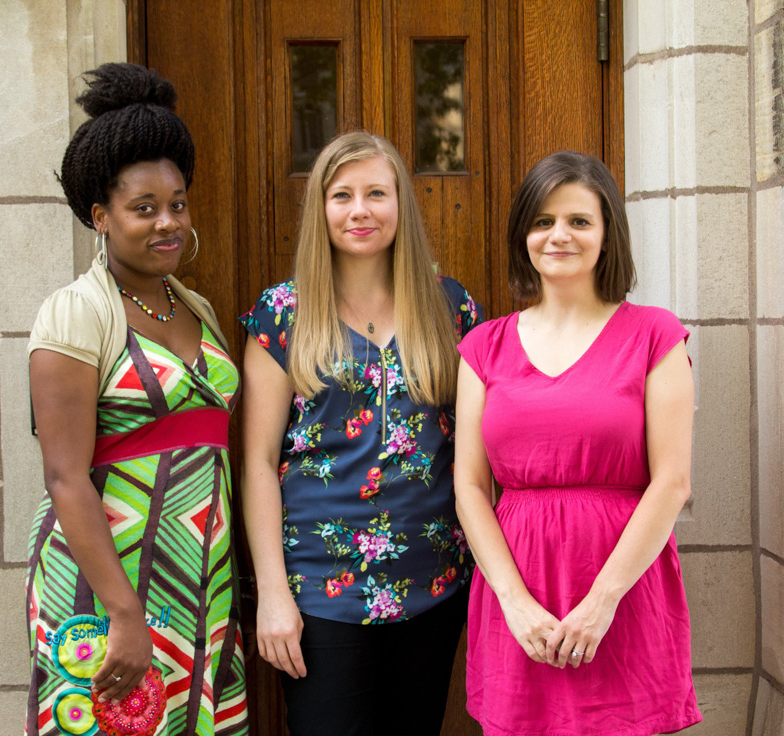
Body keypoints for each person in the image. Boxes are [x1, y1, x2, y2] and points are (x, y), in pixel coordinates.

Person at [24, 63, 248, 736]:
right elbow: (65, 476)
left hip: (198, 580)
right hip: (107, 582)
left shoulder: (198, 308)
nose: (167, 223)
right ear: (101, 215)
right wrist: (122, 612)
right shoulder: (75, 313)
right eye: (143, 209)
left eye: (176, 204)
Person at [238, 131, 483, 736]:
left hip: (435, 584)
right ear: (321, 208)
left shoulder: (450, 309)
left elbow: (477, 450)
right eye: (341, 194)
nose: (360, 210)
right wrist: (272, 592)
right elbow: (258, 463)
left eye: (377, 192)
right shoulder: (283, 314)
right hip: (321, 591)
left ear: (401, 203)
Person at [454, 151, 703, 735]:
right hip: (518, 591)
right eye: (542, 222)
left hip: (622, 589)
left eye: (578, 221)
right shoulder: (484, 347)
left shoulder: (654, 335)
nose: (558, 235)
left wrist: (601, 602)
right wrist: (515, 604)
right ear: (523, 236)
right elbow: (469, 486)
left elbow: (672, 482)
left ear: (607, 234)